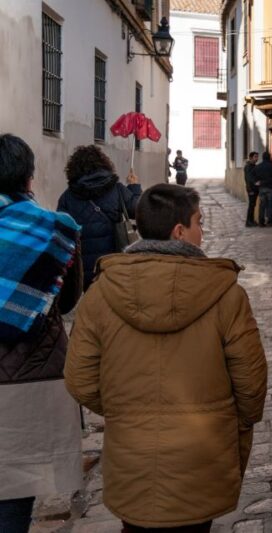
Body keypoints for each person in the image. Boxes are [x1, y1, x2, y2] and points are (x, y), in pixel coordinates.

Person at [65, 183, 267, 532]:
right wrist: (232, 424)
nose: (202, 232)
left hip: (132, 459)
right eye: (199, 223)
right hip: (202, 456)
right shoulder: (227, 295)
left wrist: (124, 408)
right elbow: (251, 384)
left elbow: (80, 379)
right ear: (179, 231)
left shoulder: (100, 294)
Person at [0, 134, 83, 533]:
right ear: (28, 178)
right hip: (30, 379)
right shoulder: (54, 231)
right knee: (16, 494)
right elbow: (66, 301)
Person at [57, 145, 141, 291]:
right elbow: (139, 211)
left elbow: (61, 234)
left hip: (83, 270)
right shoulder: (117, 189)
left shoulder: (67, 197)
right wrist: (133, 188)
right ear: (104, 164)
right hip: (113, 264)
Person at [252, 151, 272, 227]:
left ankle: (261, 222)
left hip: (262, 188)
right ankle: (269, 221)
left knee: (262, 205)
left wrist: (256, 182)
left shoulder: (258, 167)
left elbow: (252, 175)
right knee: (270, 205)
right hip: (271, 188)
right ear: (269, 157)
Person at [244, 151, 259, 227]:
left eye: (257, 157)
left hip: (255, 189)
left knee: (253, 205)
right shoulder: (248, 166)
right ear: (251, 157)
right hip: (251, 189)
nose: (257, 158)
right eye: (255, 157)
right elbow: (248, 179)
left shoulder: (253, 166)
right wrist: (250, 190)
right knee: (251, 205)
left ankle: (251, 220)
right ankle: (249, 221)